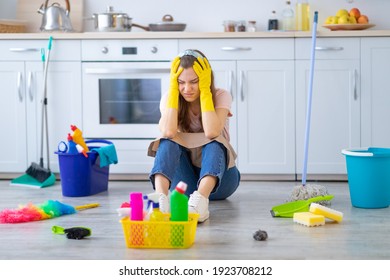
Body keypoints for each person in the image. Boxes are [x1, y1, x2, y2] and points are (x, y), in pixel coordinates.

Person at [148, 49, 240, 222]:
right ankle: (160, 199)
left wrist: (205, 90)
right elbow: (167, 132)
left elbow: (212, 132)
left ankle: (201, 203)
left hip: (221, 182)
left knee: (214, 141)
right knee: (167, 140)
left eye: (194, 82)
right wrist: (173, 93)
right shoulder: (170, 97)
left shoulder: (221, 95)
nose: (187, 89)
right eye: (181, 82)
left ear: (205, 79)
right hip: (185, 183)